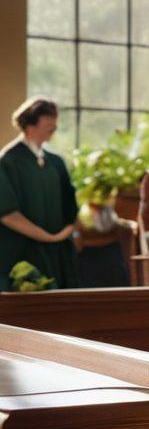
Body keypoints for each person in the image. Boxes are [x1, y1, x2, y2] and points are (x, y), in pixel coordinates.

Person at [0, 97, 79, 291]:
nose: (54, 124)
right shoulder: (8, 161)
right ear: (29, 123)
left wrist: (62, 235)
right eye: (48, 118)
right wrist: (48, 238)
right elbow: (8, 214)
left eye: (55, 118)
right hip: (23, 252)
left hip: (57, 251)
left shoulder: (56, 161)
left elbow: (70, 207)